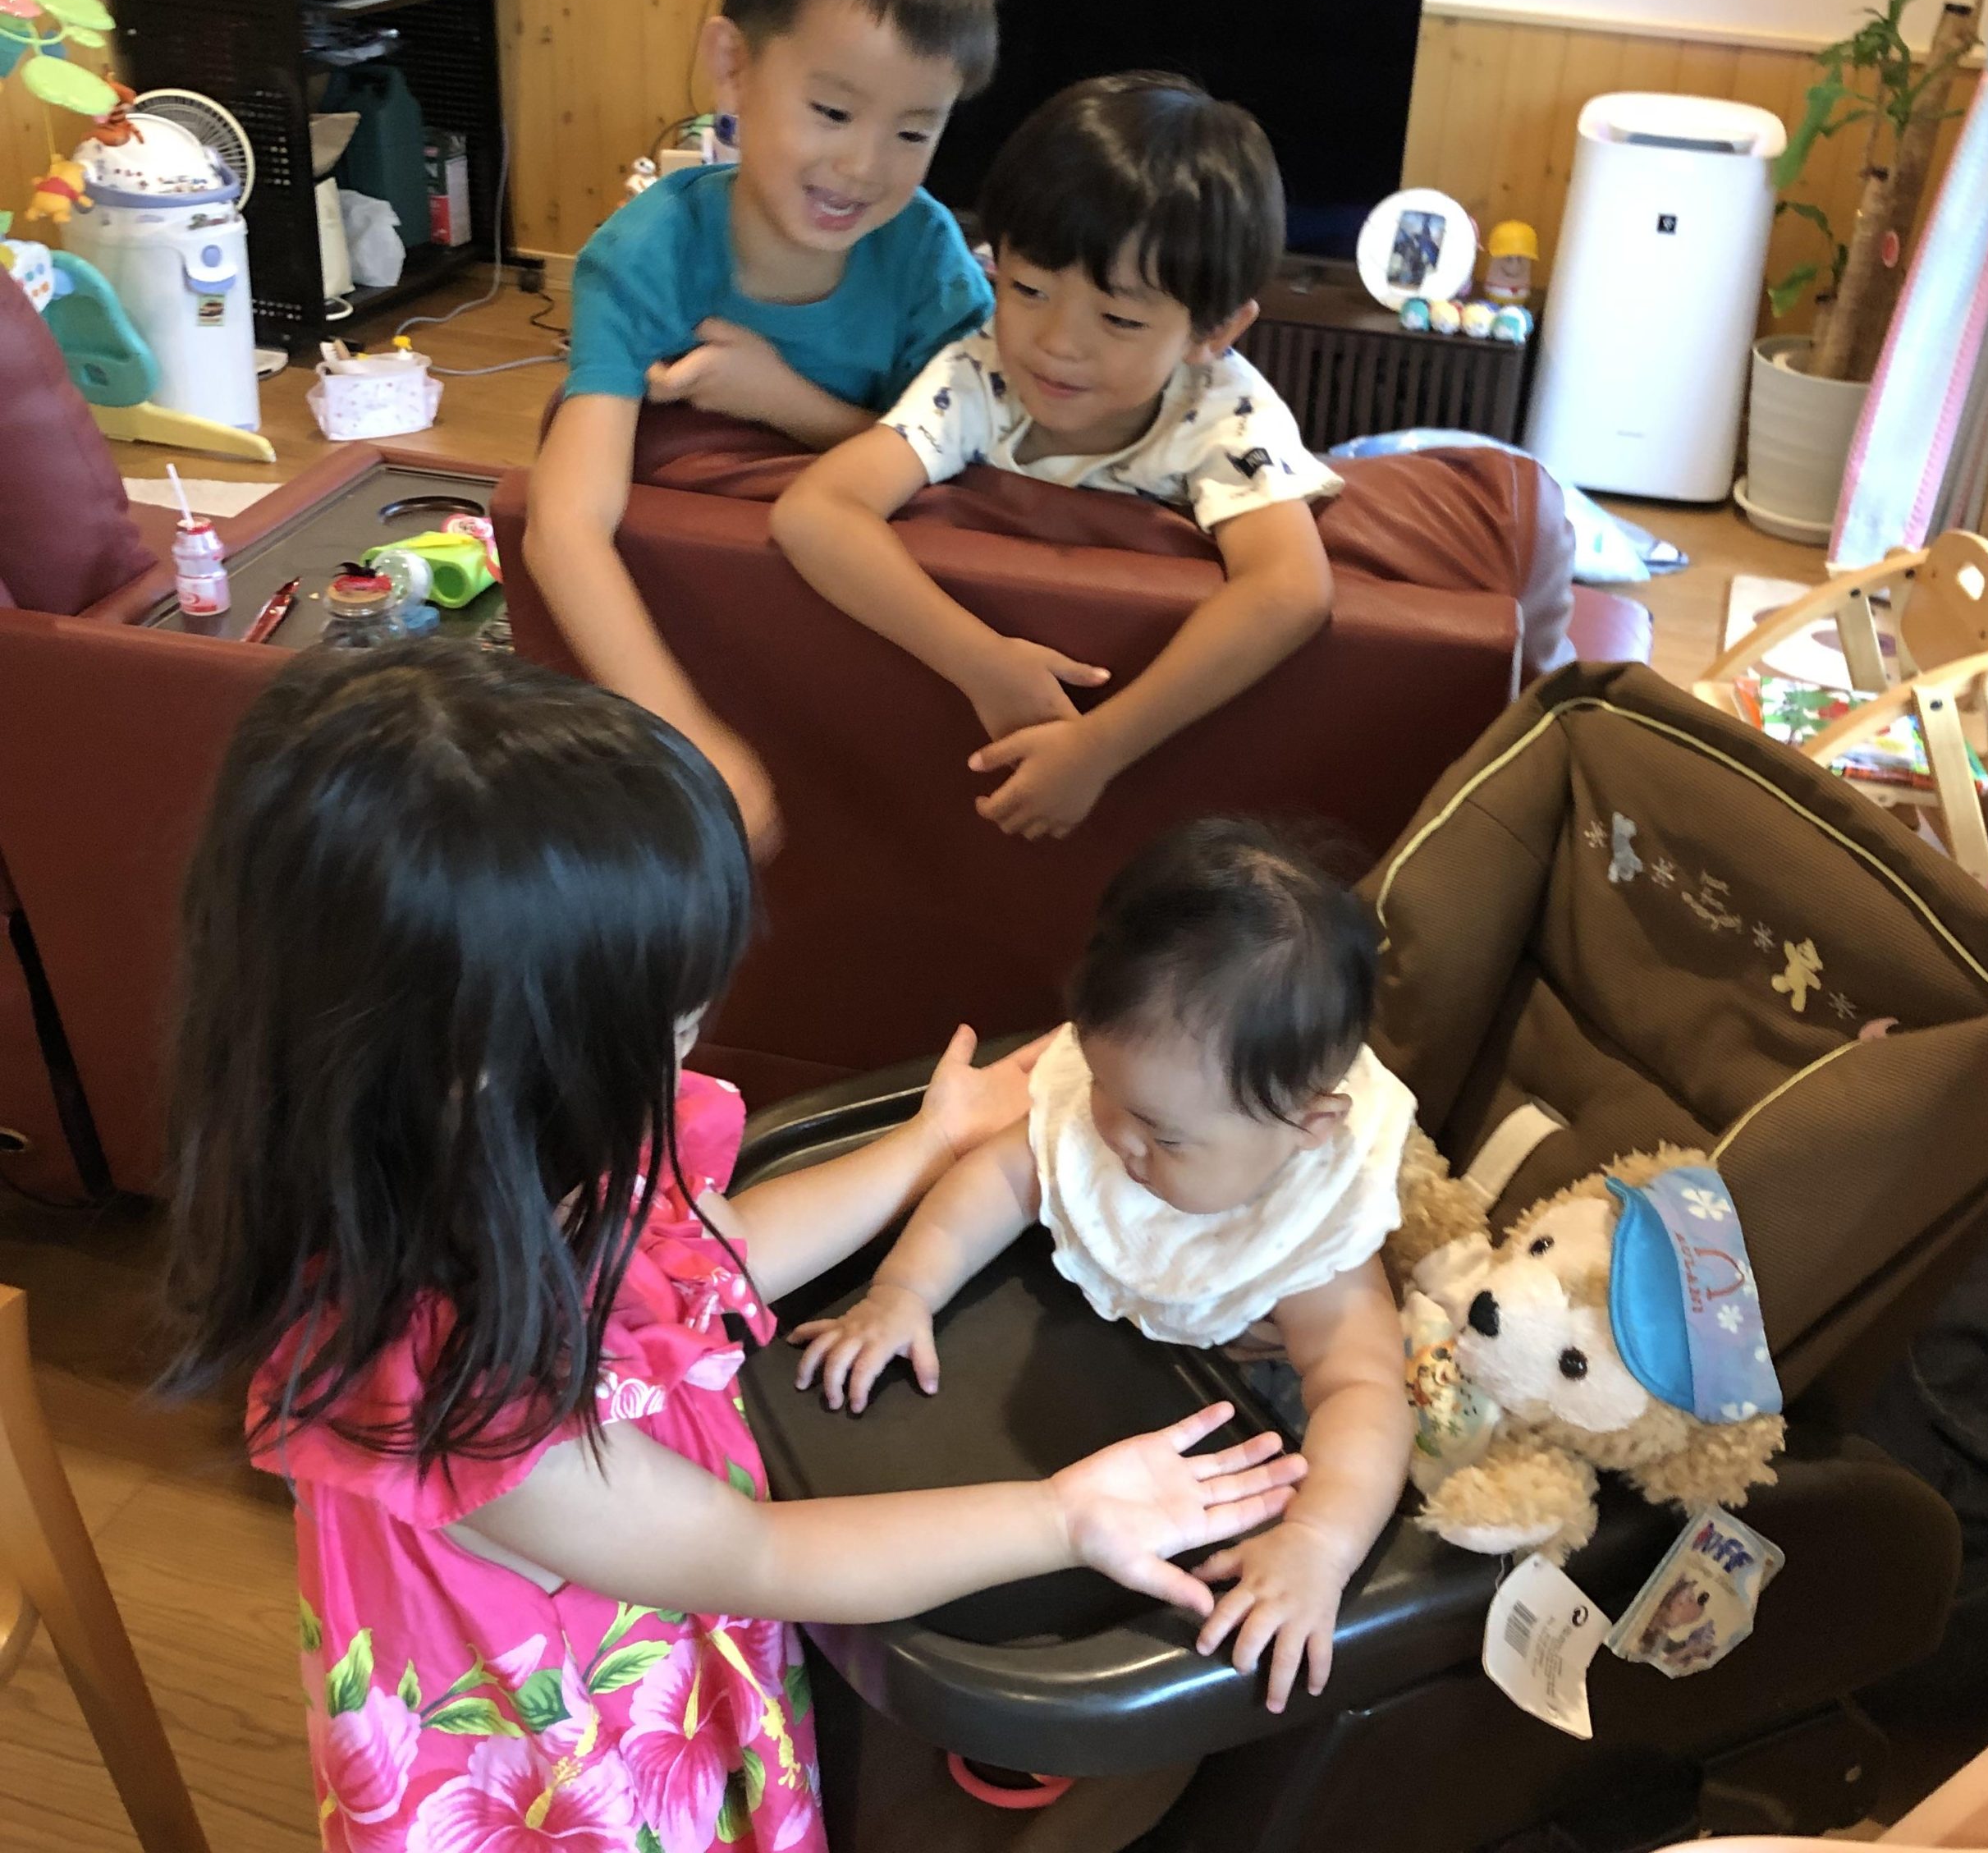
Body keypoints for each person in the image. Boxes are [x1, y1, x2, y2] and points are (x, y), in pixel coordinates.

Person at [158, 646, 1305, 1853]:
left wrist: (924, 1147)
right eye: (668, 1030)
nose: (687, 1061)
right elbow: (750, 1553)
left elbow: (699, 1263)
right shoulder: (459, 1390)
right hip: (573, 1771)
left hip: (647, 1614)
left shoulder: (487, 1169)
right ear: (482, 1065)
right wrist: (1062, 1517)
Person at [793, 819, 1413, 1712]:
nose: (1116, 1137)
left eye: (1163, 1135)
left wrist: (1318, 1542)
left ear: (1307, 1125)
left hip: (1219, 1406)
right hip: (1068, 1361)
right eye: (1101, 1088)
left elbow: (1364, 1391)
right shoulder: (1136, 1094)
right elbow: (1003, 1176)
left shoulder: (1312, 1228)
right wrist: (902, 1291)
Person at [524, 0, 1001, 856]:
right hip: (708, 669)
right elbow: (563, 522)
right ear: (732, 64)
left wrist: (782, 401)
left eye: (914, 132)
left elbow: (974, 468)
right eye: (832, 111)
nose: (862, 167)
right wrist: (685, 734)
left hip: (884, 705)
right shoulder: (647, 255)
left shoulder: (930, 261)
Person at [770, 73, 1342, 842]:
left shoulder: (1224, 415)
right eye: (1029, 289)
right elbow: (815, 512)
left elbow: (1290, 590)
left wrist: (1101, 746)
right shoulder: (981, 372)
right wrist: (979, 661)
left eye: (1118, 319)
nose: (1057, 344)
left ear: (1215, 333)